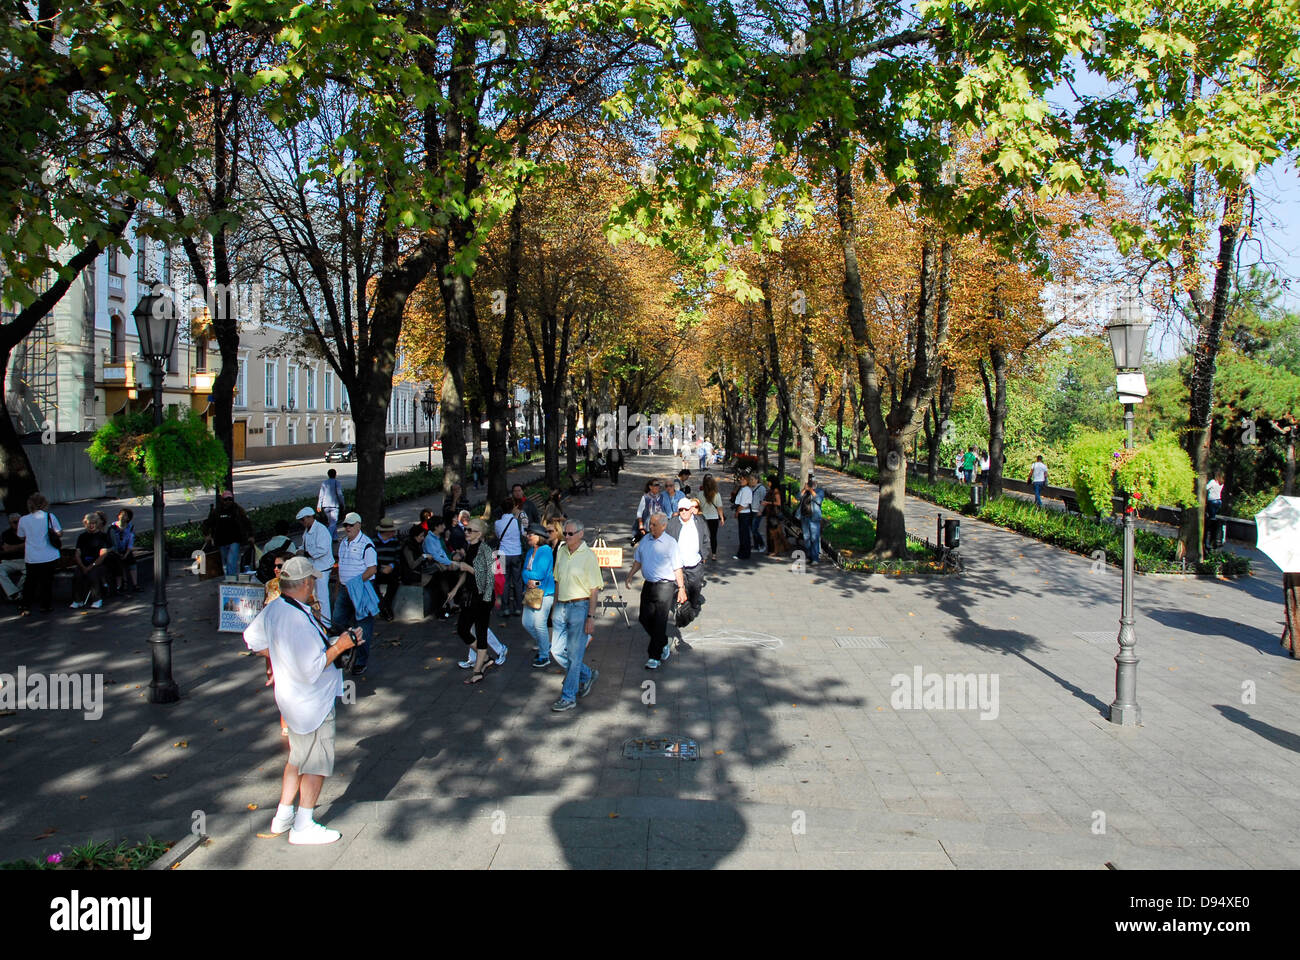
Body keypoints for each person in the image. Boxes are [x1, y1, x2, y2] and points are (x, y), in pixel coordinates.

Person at [244, 556, 359, 845]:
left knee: (297, 757)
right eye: (313, 582)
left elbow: (252, 641)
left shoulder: (277, 608)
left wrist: (278, 658)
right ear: (306, 583)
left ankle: (283, 815)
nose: (315, 587)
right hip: (312, 703)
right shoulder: (297, 618)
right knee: (315, 763)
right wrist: (342, 645)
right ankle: (303, 824)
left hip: (290, 700)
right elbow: (312, 668)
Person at [550, 519, 602, 711]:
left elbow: (594, 590)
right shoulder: (562, 551)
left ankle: (568, 696)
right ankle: (587, 674)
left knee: (573, 655)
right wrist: (554, 607)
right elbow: (557, 580)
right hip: (561, 607)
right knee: (555, 650)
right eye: (565, 533)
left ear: (581, 534)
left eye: (571, 533)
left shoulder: (588, 556)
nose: (567, 536)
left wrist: (591, 617)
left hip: (580, 608)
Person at [629, 512, 688, 670]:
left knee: (660, 620)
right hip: (649, 585)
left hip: (665, 586)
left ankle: (654, 657)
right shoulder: (645, 540)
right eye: (650, 524)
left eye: (654, 525)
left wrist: (681, 588)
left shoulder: (670, 543)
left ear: (664, 526)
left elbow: (677, 567)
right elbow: (638, 560)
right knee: (644, 617)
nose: (651, 527)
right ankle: (662, 642)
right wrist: (630, 575)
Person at [331, 512, 378, 677]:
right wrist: (338, 588)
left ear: (359, 525)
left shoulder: (367, 544)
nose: (348, 528)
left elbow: (372, 569)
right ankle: (340, 652)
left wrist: (355, 582)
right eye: (346, 525)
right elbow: (341, 568)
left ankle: (360, 661)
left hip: (361, 590)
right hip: (344, 590)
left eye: (351, 525)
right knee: (337, 622)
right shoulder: (344, 543)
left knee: (363, 626)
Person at [453, 519, 498, 683]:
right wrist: (455, 589)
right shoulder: (469, 547)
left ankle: (478, 670)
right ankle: (485, 657)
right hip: (471, 596)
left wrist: (467, 568)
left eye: (470, 530)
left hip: (483, 597)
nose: (466, 532)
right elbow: (466, 571)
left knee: (481, 631)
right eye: (465, 529)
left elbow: (487, 577)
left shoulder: (484, 550)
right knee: (462, 629)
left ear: (479, 534)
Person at [16, 493, 61, 615]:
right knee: (47, 582)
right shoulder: (50, 517)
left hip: (32, 556)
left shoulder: (23, 519)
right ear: (44, 503)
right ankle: (45, 606)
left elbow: (20, 536)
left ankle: (25, 606)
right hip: (49, 554)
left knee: (30, 582)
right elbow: (59, 533)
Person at [666, 498, 709, 628]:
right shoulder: (673, 523)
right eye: (681, 510)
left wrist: (704, 555)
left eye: (686, 509)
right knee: (678, 587)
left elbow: (706, 539)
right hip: (678, 564)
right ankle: (680, 610)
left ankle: (693, 604)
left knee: (695, 586)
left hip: (695, 563)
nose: (683, 512)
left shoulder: (699, 522)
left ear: (691, 510)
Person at [521, 523, 557, 668]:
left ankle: (544, 655)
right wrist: (528, 579)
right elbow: (524, 571)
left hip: (545, 593)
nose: (528, 537)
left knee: (539, 624)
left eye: (530, 534)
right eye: (527, 534)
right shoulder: (530, 551)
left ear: (539, 537)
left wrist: (528, 577)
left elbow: (540, 574)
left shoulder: (546, 551)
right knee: (526, 622)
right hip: (532, 592)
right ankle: (545, 644)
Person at [203, 490, 255, 577]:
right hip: (221, 540)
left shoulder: (238, 510)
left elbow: (247, 523)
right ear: (222, 500)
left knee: (231, 560)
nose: (228, 501)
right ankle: (229, 577)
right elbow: (207, 523)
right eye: (225, 499)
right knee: (226, 561)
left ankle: (231, 578)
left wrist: (251, 536)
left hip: (235, 540)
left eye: (230, 499)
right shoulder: (217, 512)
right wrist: (207, 535)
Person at [297, 506, 334, 621]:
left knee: (322, 597)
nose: (302, 523)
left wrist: (306, 553)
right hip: (312, 568)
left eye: (303, 520)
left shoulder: (321, 530)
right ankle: (318, 621)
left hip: (322, 569)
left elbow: (322, 550)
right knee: (314, 597)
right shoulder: (307, 531)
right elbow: (304, 545)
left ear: (309, 517)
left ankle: (326, 623)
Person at [70, 513, 112, 609]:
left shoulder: (103, 536)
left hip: (98, 564)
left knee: (93, 574)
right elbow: (78, 553)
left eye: (94, 523)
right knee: (77, 575)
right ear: (85, 523)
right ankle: (77, 600)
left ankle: (97, 599)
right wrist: (82, 566)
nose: (91, 525)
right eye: (89, 523)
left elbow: (103, 554)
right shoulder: (82, 536)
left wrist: (91, 565)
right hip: (84, 563)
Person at [494, 497, 525, 617]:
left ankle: (505, 607)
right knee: (517, 581)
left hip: (503, 553)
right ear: (512, 508)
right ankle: (518, 607)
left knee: (505, 582)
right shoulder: (517, 522)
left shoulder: (497, 523)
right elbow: (522, 534)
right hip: (516, 553)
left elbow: (497, 535)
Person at [373, 517, 401, 622]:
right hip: (377, 569)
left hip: (390, 568)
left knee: (394, 582)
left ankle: (386, 605)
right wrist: (380, 568)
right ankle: (383, 606)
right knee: (373, 583)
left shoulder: (395, 541)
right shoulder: (373, 541)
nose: (394, 532)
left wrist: (391, 566)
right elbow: (371, 559)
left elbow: (398, 558)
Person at [108, 509, 138, 595]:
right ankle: (120, 585)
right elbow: (111, 542)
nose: (122, 517)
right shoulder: (112, 527)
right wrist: (117, 553)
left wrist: (127, 553)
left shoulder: (130, 527)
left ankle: (135, 584)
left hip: (125, 550)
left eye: (125, 515)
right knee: (118, 562)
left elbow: (131, 542)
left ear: (128, 518)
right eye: (121, 514)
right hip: (115, 550)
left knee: (131, 561)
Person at [797, 477, 825, 564]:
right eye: (810, 483)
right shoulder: (805, 491)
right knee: (806, 538)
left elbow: (819, 500)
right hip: (804, 517)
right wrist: (804, 490)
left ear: (816, 483)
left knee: (814, 538)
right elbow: (797, 497)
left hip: (814, 518)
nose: (811, 484)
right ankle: (809, 556)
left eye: (812, 483)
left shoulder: (819, 491)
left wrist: (811, 491)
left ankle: (815, 558)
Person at [698, 474, 725, 561]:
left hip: (703, 518)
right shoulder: (717, 494)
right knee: (713, 536)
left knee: (702, 536)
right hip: (714, 517)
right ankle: (714, 554)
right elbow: (719, 507)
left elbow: (698, 507)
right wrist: (721, 517)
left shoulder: (700, 494)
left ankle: (703, 554)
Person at [1, 513, 27, 603]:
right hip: (9, 561)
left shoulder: (27, 532)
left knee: (31, 571)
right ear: (10, 523)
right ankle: (14, 593)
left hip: (25, 560)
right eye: (15, 522)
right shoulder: (6, 534)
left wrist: (13, 547)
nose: (18, 524)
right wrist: (23, 545)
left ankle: (17, 592)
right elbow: (6, 549)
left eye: (20, 521)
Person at [633, 479, 668, 545]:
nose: (657, 487)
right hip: (648, 525)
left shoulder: (662, 497)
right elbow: (639, 512)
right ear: (650, 487)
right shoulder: (645, 497)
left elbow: (665, 510)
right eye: (655, 485)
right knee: (648, 543)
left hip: (659, 524)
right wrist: (641, 525)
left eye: (658, 485)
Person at [763, 474, 789, 556]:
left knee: (774, 533)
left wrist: (768, 503)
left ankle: (775, 550)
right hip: (770, 513)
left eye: (769, 482)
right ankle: (772, 549)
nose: (768, 483)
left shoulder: (776, 491)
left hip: (773, 514)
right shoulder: (771, 490)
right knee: (771, 532)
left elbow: (778, 503)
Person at [317, 468, 345, 540]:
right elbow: (340, 494)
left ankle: (334, 538)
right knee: (333, 523)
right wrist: (343, 503)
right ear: (335, 475)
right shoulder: (337, 483)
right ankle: (327, 537)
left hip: (325, 505)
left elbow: (321, 495)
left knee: (331, 523)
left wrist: (319, 505)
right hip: (334, 505)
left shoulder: (324, 483)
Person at [733, 473, 755, 559]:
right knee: (743, 534)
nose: (741, 480)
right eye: (740, 479)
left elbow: (743, 504)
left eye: (743, 479)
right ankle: (743, 552)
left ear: (747, 480)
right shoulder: (744, 489)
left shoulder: (746, 490)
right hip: (743, 513)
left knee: (744, 534)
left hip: (744, 513)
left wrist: (737, 512)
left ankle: (744, 553)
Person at [1205, 473, 1225, 549]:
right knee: (1213, 516)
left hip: (1212, 501)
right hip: (1219, 501)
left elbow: (1206, 488)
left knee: (1211, 518)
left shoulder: (1213, 482)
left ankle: (1211, 534)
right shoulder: (1221, 483)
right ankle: (1212, 535)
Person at [750, 474, 768, 551]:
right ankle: (756, 545)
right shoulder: (751, 488)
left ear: (757, 480)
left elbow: (763, 500)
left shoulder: (761, 488)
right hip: (751, 510)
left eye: (752, 479)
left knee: (754, 529)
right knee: (753, 529)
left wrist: (761, 510)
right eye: (750, 480)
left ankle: (762, 544)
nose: (751, 481)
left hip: (757, 511)